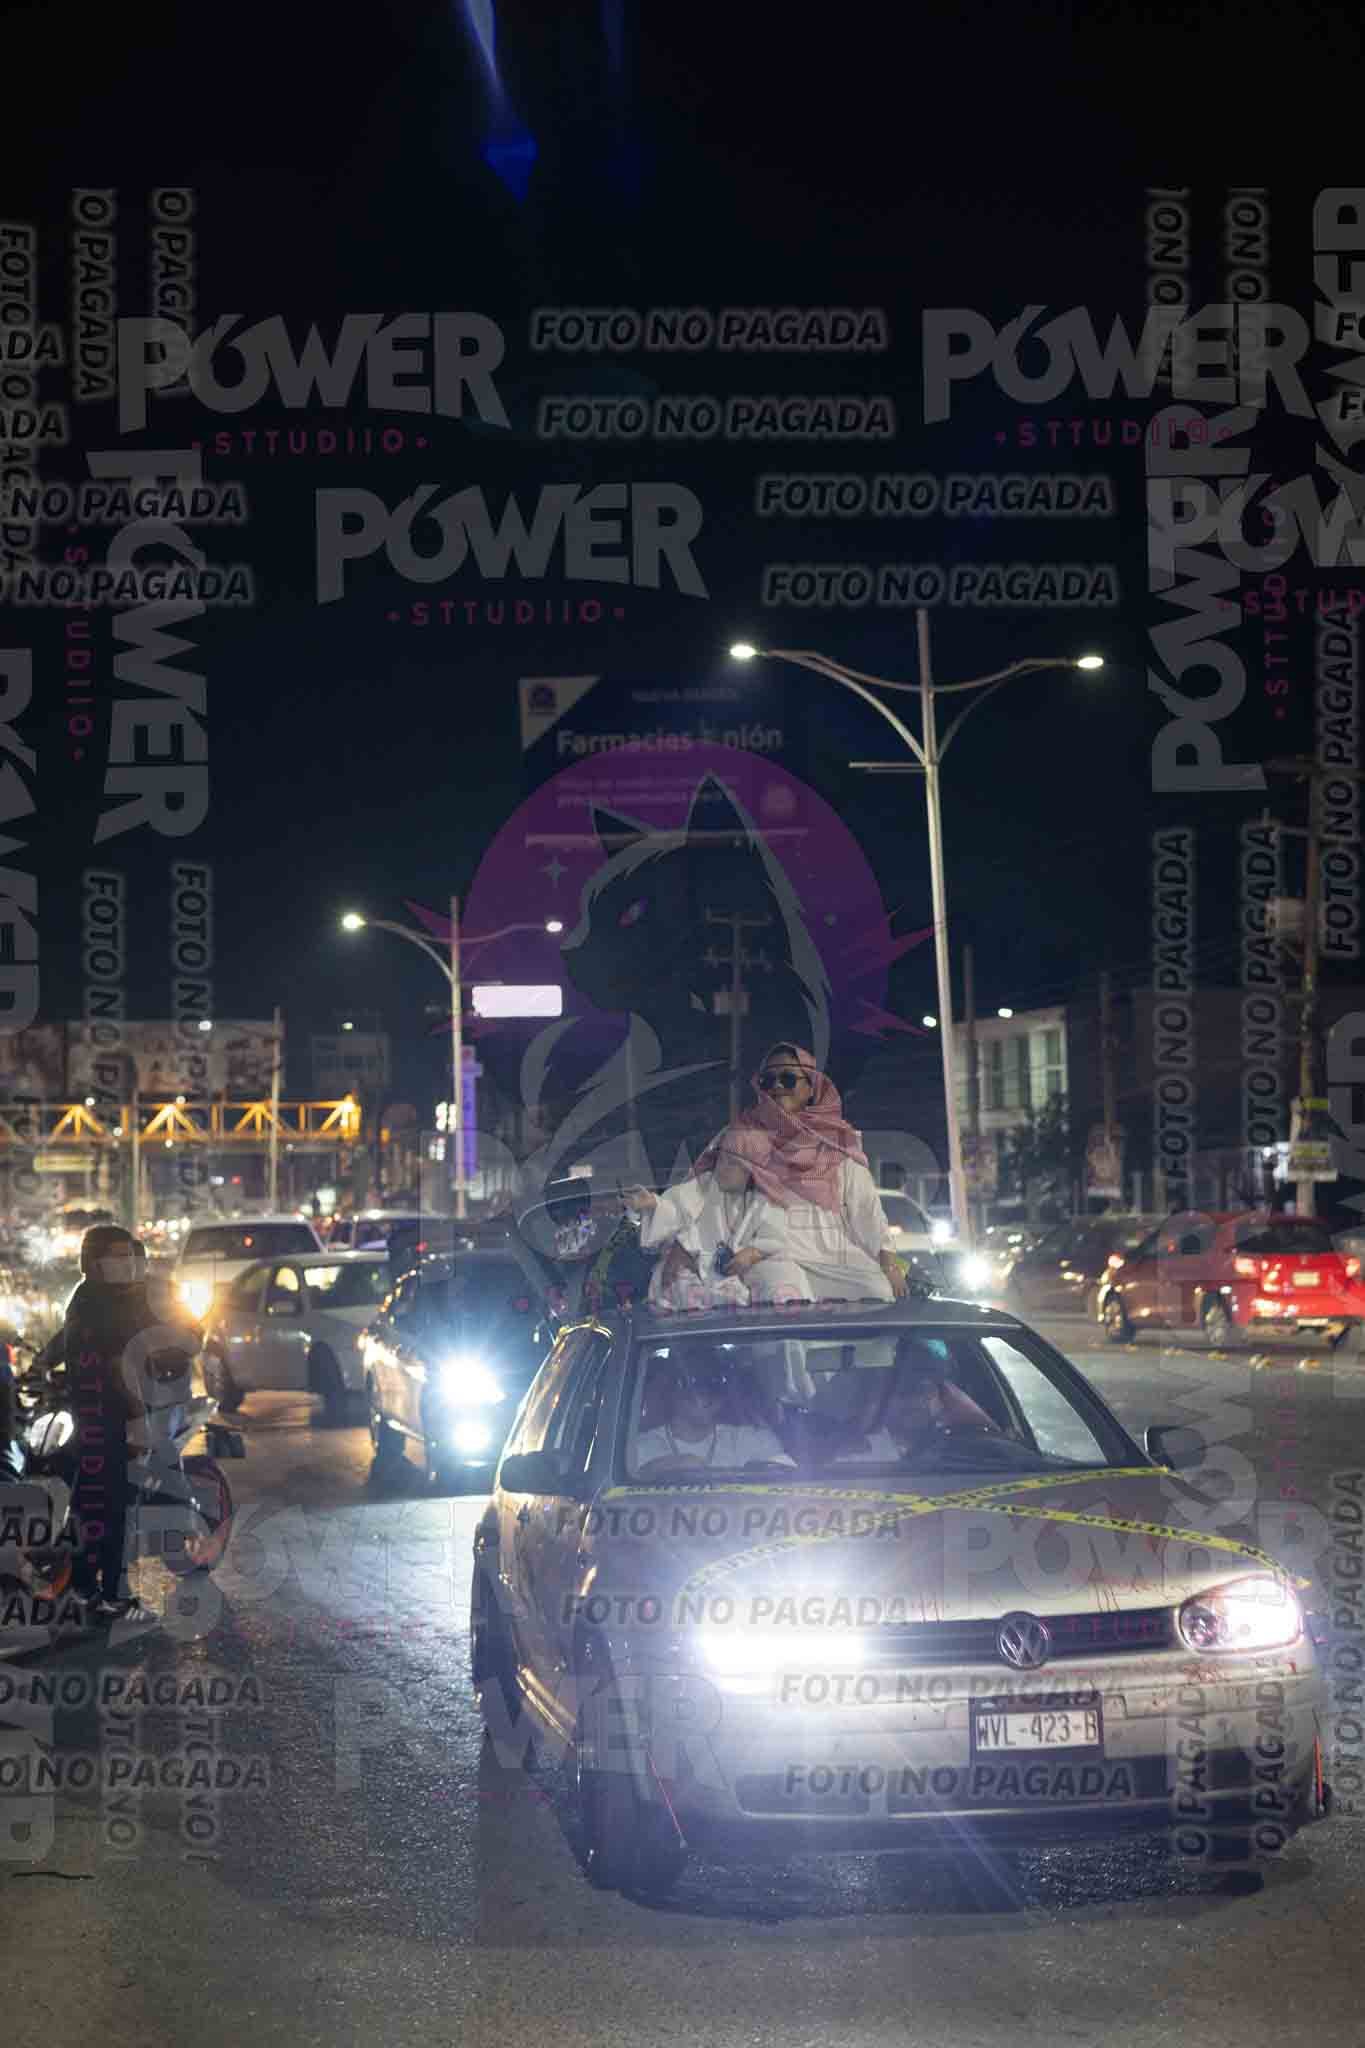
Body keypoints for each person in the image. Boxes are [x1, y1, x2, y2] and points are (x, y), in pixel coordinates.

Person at [35, 1226, 200, 1624]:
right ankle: (111, 1595)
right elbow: (115, 1367)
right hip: (114, 1422)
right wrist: (138, 1420)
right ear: (93, 1261)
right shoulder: (104, 1303)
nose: (127, 1263)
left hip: (98, 1420)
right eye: (118, 1255)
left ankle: (83, 1589)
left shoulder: (93, 1298)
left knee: (91, 1507)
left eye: (130, 1255)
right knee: (113, 1512)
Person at [690, 1044, 907, 1305]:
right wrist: (683, 1250)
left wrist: (890, 1267)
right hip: (764, 1256)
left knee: (878, 1292)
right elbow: (701, 1193)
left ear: (811, 1086)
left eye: (788, 1078)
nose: (777, 1086)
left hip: (832, 1258)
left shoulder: (836, 1141)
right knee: (786, 1300)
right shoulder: (741, 1134)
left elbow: (867, 1210)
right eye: (768, 1080)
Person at [622, 1128, 781, 1310]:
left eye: (732, 1163)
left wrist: (754, 1253)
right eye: (721, 1159)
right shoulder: (703, 1186)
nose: (722, 1167)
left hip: (736, 1282)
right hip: (693, 1272)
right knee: (680, 1284)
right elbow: (676, 1211)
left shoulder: (763, 1201)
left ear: (752, 1170)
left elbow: (776, 1235)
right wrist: (653, 1204)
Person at [631, 1350, 796, 1475]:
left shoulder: (754, 1441)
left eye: (714, 1382)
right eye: (692, 1381)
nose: (704, 1392)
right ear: (671, 1390)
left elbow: (788, 1491)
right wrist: (656, 1470)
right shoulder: (638, 1450)